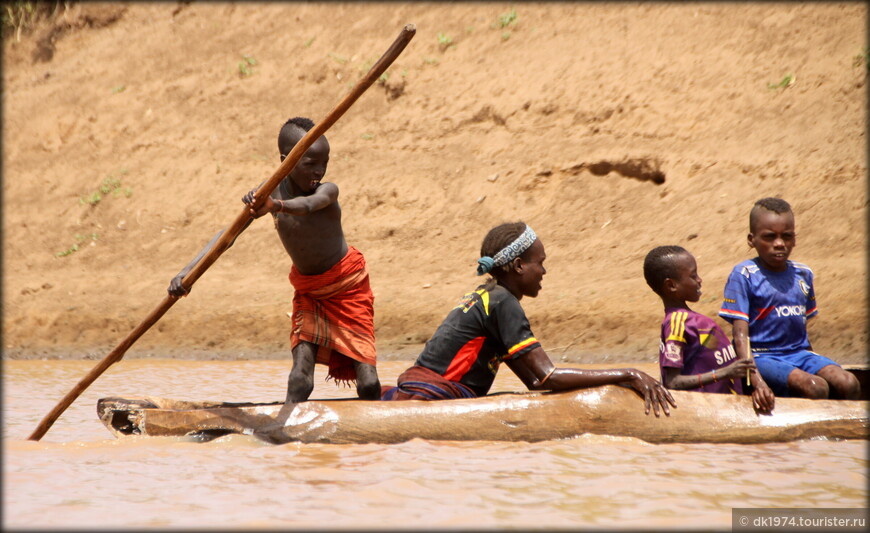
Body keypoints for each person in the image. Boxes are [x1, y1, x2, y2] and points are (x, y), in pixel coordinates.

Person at [168, 116, 381, 404]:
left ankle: (373, 426)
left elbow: (307, 206)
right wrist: (186, 274)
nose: (319, 171)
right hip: (310, 291)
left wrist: (275, 206)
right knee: (299, 378)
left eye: (324, 162)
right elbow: (227, 235)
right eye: (310, 164)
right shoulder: (269, 191)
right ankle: (286, 430)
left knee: (368, 383)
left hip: (347, 285)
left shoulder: (327, 190)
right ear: (286, 160)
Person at [381, 221, 677, 417]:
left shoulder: (489, 296)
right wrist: (628, 374)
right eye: (541, 263)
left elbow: (534, 380)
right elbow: (546, 377)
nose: (544, 272)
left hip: (425, 389)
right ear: (519, 266)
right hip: (430, 401)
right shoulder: (502, 303)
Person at [719, 197, 860, 400]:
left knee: (849, 383)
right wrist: (756, 383)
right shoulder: (744, 274)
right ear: (752, 240)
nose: (779, 244)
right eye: (769, 237)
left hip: (798, 353)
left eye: (786, 237)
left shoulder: (803, 274)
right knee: (815, 387)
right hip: (761, 356)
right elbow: (740, 337)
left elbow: (802, 330)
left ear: (794, 239)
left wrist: (814, 363)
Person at [643, 245, 774, 412]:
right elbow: (672, 382)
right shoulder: (677, 322)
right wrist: (723, 373)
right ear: (671, 285)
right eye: (693, 276)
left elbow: (706, 353)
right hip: (708, 410)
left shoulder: (693, 320)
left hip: (729, 404)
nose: (699, 280)